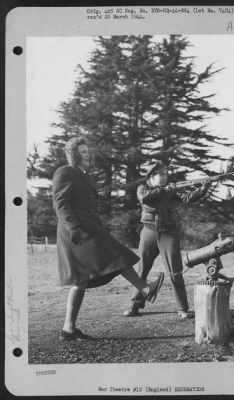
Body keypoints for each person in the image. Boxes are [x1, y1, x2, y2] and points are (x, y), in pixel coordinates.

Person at [52, 137, 164, 340]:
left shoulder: (84, 176)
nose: (87, 154)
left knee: (84, 279)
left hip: (89, 228)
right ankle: (146, 289)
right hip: (76, 231)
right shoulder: (65, 172)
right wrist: (73, 227)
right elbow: (61, 203)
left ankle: (68, 329)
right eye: (83, 151)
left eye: (87, 151)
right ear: (74, 155)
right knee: (115, 256)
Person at [124, 161, 209, 319]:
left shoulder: (169, 190)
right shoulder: (143, 189)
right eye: (161, 174)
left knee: (175, 272)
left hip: (168, 233)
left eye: (166, 174)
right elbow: (145, 198)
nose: (165, 177)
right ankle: (134, 305)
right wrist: (166, 190)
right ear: (151, 176)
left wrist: (203, 188)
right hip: (148, 232)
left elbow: (187, 198)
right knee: (142, 271)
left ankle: (182, 308)